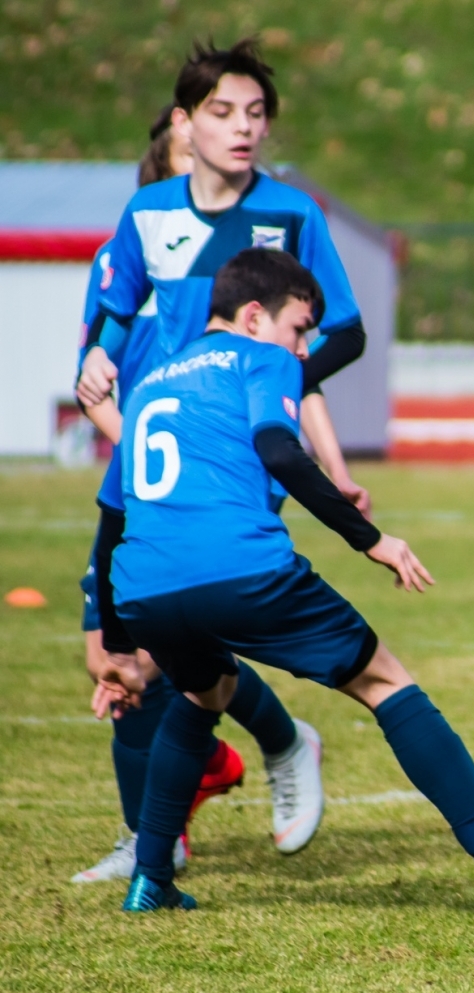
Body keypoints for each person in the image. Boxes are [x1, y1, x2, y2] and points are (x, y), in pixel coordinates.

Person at [97, 248, 474, 915]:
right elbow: (280, 449)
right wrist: (371, 539)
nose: (306, 344)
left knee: (205, 694)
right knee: (385, 681)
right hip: (239, 568)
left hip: (143, 588)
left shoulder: (150, 385)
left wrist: (118, 644)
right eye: (301, 326)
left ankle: (151, 879)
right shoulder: (261, 358)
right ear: (256, 316)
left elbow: (111, 516)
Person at [72, 104, 320, 883]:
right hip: (139, 480)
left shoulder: (239, 296)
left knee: (161, 654)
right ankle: (172, 810)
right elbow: (95, 378)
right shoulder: (127, 286)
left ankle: (174, 821)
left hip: (203, 488)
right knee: (113, 657)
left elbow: (293, 380)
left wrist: (335, 469)